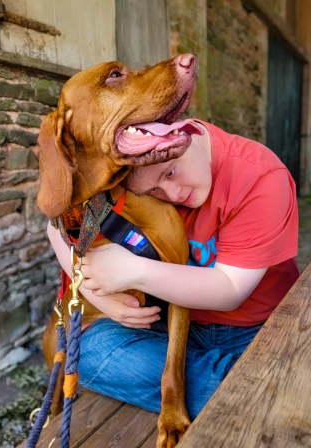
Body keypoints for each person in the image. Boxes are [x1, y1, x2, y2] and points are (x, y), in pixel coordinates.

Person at [47, 119, 299, 420]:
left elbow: (230, 290)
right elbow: (54, 226)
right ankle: (251, 385)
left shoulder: (260, 175)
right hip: (172, 325)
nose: (174, 193)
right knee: (83, 352)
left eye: (170, 172)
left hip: (250, 328)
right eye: (154, 190)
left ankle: (251, 391)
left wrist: (134, 270)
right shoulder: (133, 175)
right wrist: (94, 292)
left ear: (185, 133)